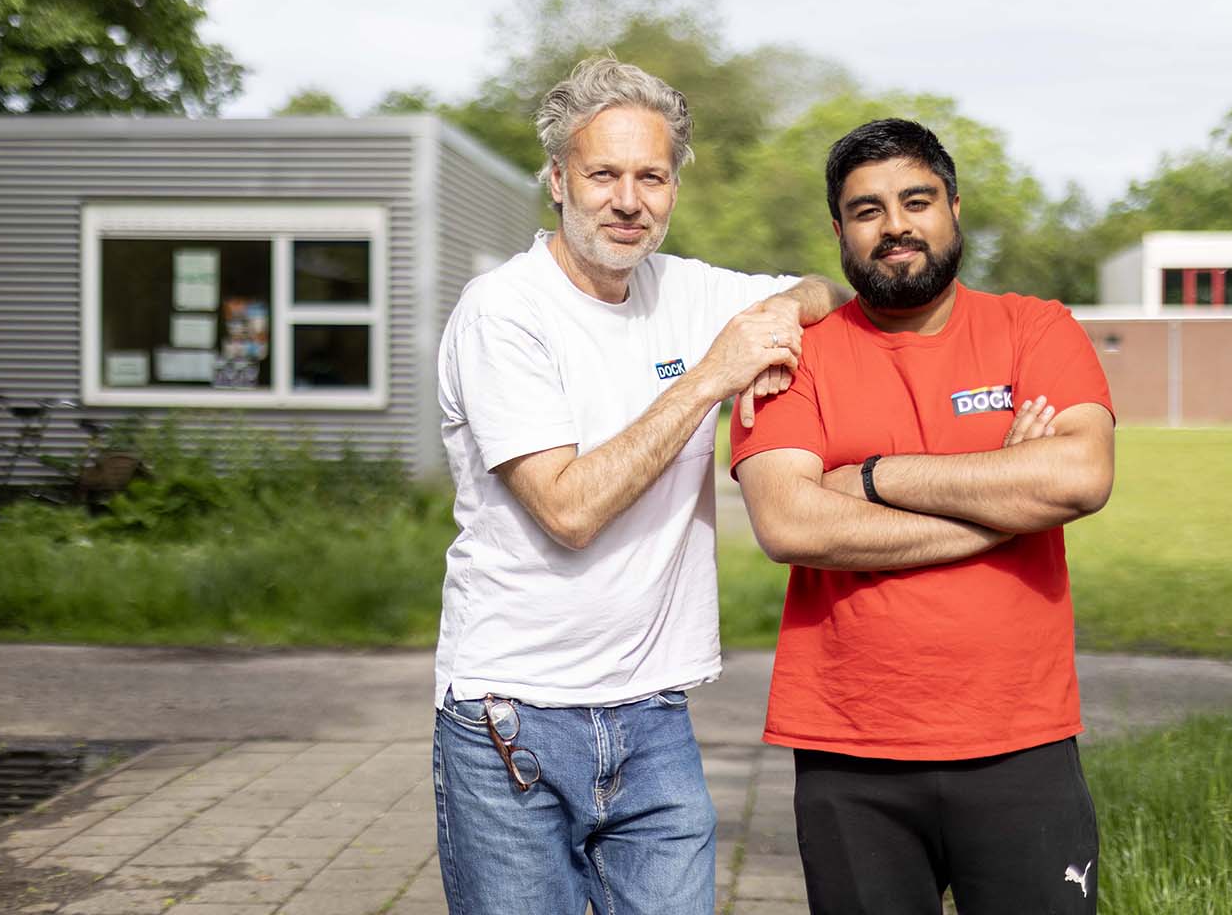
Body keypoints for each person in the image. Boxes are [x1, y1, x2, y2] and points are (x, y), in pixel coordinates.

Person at [433, 57, 849, 915]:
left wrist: (782, 312)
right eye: (604, 175)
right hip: (513, 719)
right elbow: (569, 508)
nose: (629, 200)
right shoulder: (503, 312)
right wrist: (710, 378)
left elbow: (826, 293)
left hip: (655, 716)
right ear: (557, 180)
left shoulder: (689, 291)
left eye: (652, 176)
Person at [731, 118, 1115, 915]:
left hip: (1021, 740)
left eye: (917, 200)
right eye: (867, 210)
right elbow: (790, 524)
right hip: (850, 750)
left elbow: (1078, 476)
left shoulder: (1034, 327)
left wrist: (871, 477)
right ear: (839, 230)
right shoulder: (793, 356)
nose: (896, 225)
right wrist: (1001, 509)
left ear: (954, 208)